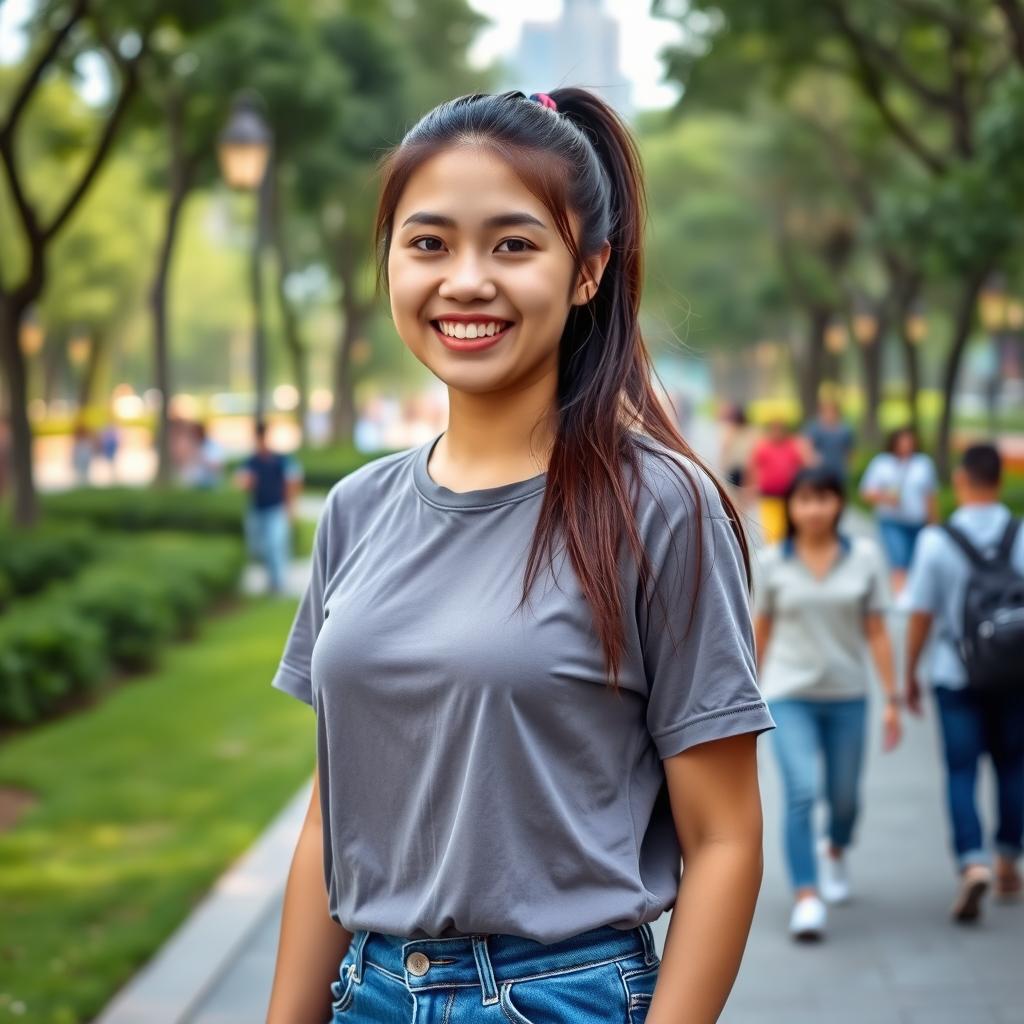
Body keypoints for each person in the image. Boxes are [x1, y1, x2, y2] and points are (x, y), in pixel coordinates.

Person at [265, 88, 777, 1024]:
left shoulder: (657, 507)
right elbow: (328, 821)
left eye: (513, 244)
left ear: (587, 271)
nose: (466, 280)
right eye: (428, 243)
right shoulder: (356, 509)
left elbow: (726, 837)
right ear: (387, 262)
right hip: (368, 992)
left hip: (558, 997)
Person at [753, 467, 901, 942]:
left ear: (839, 503)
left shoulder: (865, 557)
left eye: (824, 498)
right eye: (805, 500)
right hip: (788, 693)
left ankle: (835, 848)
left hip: (848, 695)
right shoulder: (773, 561)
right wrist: (744, 696)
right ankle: (806, 896)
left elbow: (877, 631)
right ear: (792, 507)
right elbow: (761, 631)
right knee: (801, 791)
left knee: (845, 798)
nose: (814, 509)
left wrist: (893, 699)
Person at [904, 443, 1024, 923]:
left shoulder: (937, 541)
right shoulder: (1020, 533)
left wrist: (909, 673)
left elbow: (920, 615)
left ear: (961, 480)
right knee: (1014, 766)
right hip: (1016, 674)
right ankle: (1008, 860)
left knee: (960, 771)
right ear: (999, 479)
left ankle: (971, 862)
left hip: (956, 673)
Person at [859, 426, 938, 594]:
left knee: (916, 563)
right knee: (899, 562)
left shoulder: (923, 463)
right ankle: (902, 602)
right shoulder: (882, 463)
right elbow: (866, 492)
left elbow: (930, 495)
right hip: (892, 521)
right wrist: (885, 498)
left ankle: (913, 597)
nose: (906, 445)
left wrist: (933, 522)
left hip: (918, 522)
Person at [235, 421, 302, 594]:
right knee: (259, 547)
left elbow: (293, 482)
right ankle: (272, 580)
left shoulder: (280, 460)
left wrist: (290, 507)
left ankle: (278, 583)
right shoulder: (251, 461)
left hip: (276, 508)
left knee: (275, 544)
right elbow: (241, 482)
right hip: (257, 509)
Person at [748, 417, 809, 545]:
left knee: (787, 526)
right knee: (771, 528)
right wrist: (751, 487)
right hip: (768, 494)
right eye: (774, 429)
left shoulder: (793, 445)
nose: (777, 432)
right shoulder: (763, 446)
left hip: (789, 493)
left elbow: (805, 464)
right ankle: (774, 550)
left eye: (780, 429)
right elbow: (754, 468)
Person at [804, 395, 855, 486]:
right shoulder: (814, 428)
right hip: (820, 469)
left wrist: (848, 465)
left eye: (832, 411)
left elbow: (850, 449)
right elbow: (806, 445)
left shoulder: (845, 429)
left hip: (838, 468)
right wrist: (812, 460)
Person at [719, 402, 755, 510]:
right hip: (737, 468)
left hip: (742, 469)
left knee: (739, 500)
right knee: (737, 500)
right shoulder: (734, 431)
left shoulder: (747, 432)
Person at [70, 419, 94, 486]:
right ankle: (83, 483)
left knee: (83, 470)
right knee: (82, 471)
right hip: (82, 452)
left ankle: (84, 483)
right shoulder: (80, 442)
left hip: (84, 452)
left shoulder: (84, 441)